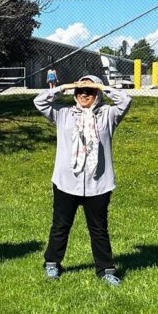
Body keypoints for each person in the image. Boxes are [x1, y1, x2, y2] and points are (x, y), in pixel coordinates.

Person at [33, 75, 131, 285]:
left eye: (89, 91)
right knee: (60, 225)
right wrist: (65, 87)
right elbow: (39, 101)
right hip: (67, 181)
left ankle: (106, 270)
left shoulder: (108, 115)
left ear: (97, 94)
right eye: (80, 91)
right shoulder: (63, 114)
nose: (84, 94)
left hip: (98, 183)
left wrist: (101, 86)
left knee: (99, 229)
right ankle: (52, 264)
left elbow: (125, 100)